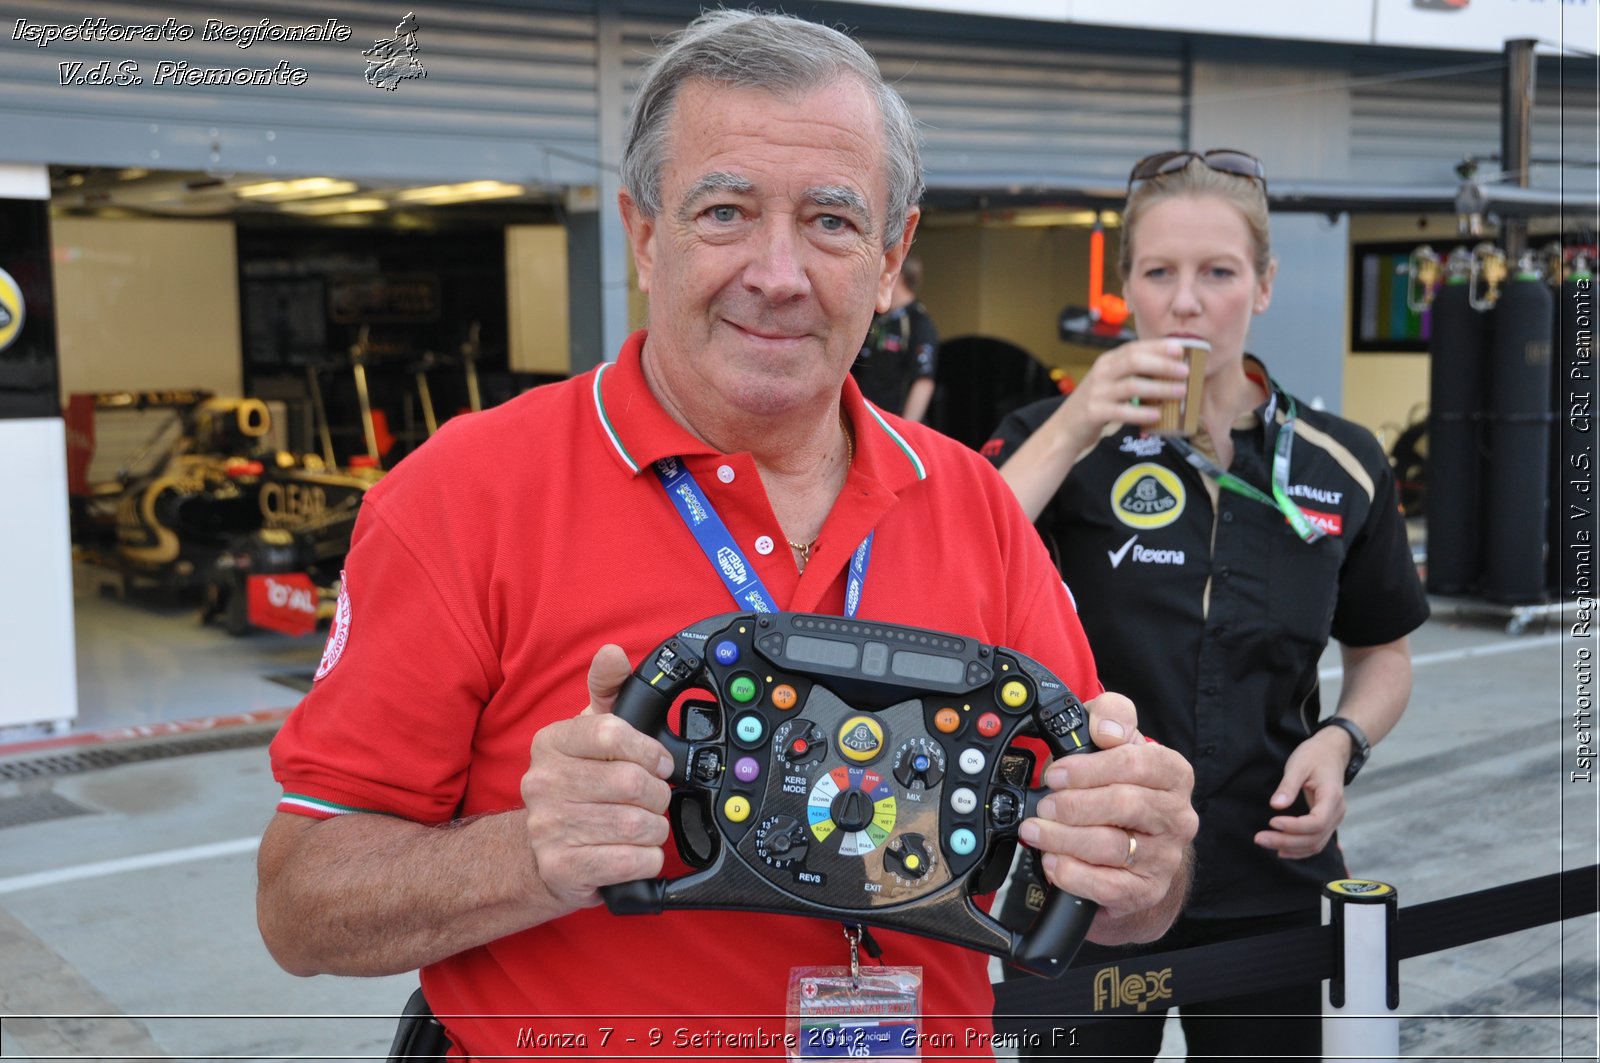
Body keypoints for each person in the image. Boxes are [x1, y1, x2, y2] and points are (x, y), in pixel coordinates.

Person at [255, 11, 1198, 1059]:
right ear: (645, 235)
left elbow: (1109, 896)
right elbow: (300, 904)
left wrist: (1139, 867)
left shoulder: (973, 503)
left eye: (833, 223)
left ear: (893, 258)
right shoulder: (460, 496)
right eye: (725, 211)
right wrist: (534, 854)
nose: (778, 272)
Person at [985, 149, 1429, 1061]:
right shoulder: (1052, 439)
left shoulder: (1338, 460)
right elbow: (954, 562)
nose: (1187, 302)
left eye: (1218, 272)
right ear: (1127, 291)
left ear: (1262, 286)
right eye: (1159, 273)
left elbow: (1384, 650)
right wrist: (1078, 423)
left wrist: (1343, 740)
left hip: (1273, 869)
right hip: (1087, 872)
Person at [851, 254, 939, 421]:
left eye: (883, 271)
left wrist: (904, 430)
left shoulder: (918, 322)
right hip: (867, 419)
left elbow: (923, 382)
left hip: (894, 425)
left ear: (897, 275)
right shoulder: (878, 318)